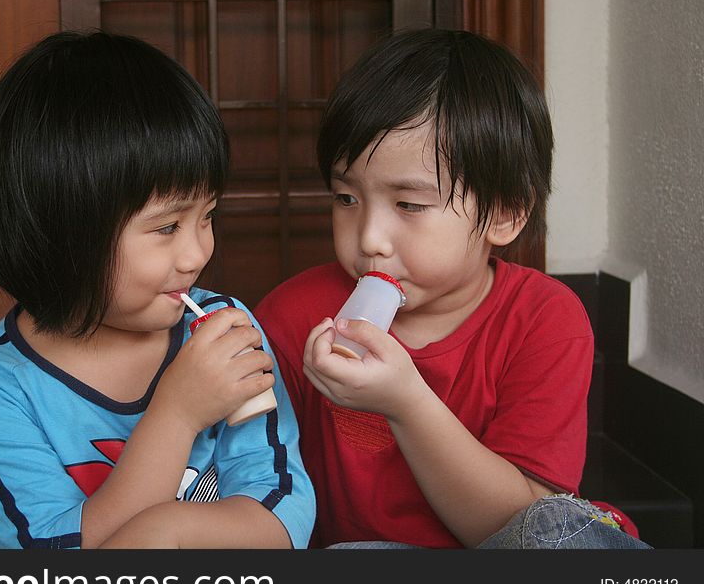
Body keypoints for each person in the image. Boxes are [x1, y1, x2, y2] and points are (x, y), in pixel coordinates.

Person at [254, 28, 648, 549]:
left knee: (563, 534)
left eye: (410, 206)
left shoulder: (545, 320)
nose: (369, 237)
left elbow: (520, 527)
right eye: (346, 198)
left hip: (506, 558)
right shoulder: (294, 315)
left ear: (504, 214)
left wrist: (407, 403)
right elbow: (258, 487)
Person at [0, 30, 314, 549]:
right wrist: (177, 414)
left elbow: (284, 505)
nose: (197, 255)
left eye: (206, 216)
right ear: (65, 232)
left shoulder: (224, 331)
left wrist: (173, 532)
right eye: (166, 228)